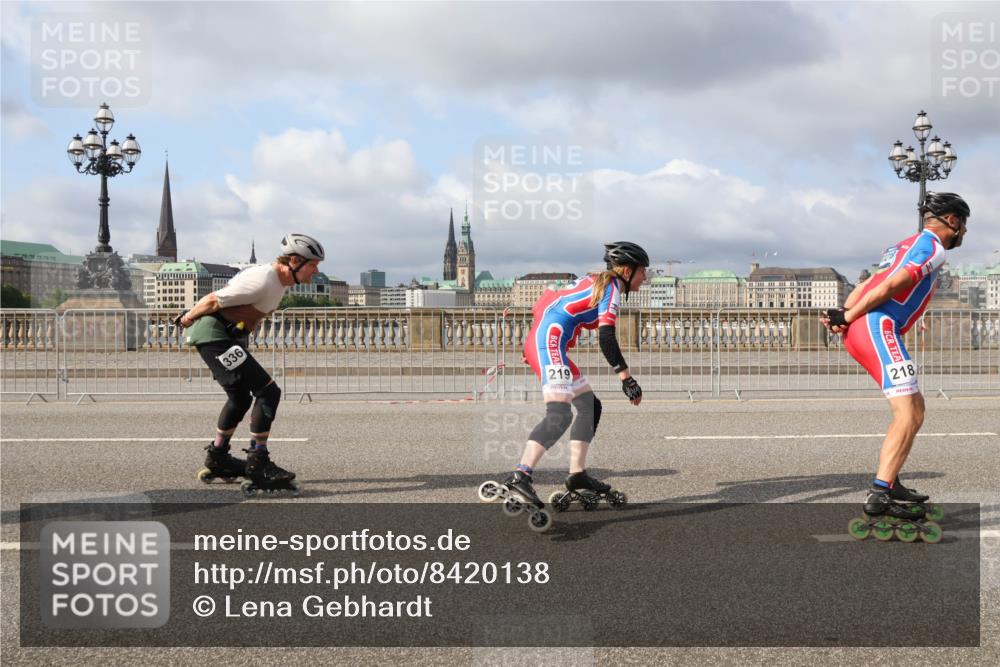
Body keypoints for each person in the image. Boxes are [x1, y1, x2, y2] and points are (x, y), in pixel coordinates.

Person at [822, 192, 969, 521]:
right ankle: (880, 494)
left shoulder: (902, 245)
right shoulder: (934, 248)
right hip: (879, 328)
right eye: (964, 224)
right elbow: (891, 286)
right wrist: (847, 317)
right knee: (911, 413)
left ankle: (892, 478)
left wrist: (844, 315)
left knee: (910, 409)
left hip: (864, 329)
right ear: (952, 221)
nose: (964, 232)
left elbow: (871, 281)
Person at [178, 233, 325, 495]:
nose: (315, 272)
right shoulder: (264, 279)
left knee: (240, 398)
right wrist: (187, 318)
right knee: (268, 391)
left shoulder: (279, 283)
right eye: (313, 265)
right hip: (216, 338)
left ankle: (218, 457)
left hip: (224, 338)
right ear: (294, 261)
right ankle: (258, 463)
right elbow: (214, 299)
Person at [506, 241, 648, 510]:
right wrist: (626, 378)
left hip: (547, 340)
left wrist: (531, 342)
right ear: (627, 271)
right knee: (559, 414)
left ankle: (577, 474)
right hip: (549, 342)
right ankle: (520, 475)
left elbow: (549, 300)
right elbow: (606, 337)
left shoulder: (594, 280)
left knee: (589, 405)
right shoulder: (612, 287)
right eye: (643, 271)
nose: (645, 278)